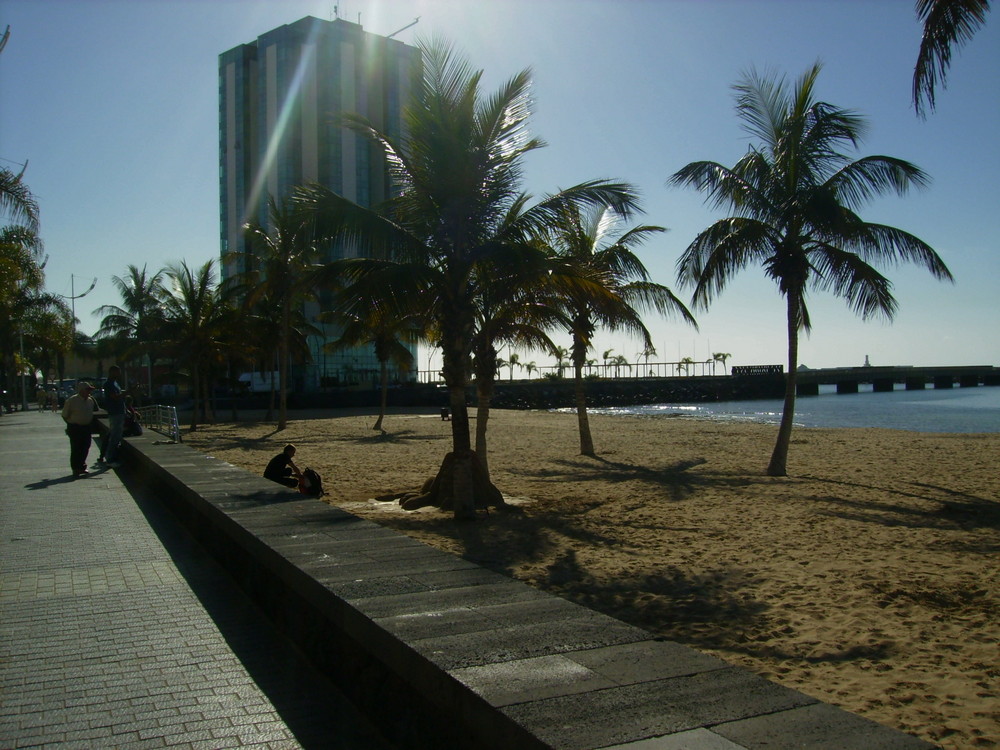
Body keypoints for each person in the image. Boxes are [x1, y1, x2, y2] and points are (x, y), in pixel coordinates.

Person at [62, 381, 98, 478]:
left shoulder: (91, 401)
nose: (89, 392)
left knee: (86, 446)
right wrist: (71, 424)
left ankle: (82, 465)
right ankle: (75, 468)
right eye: (87, 390)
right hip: (75, 427)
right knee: (76, 448)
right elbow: (64, 415)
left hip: (86, 427)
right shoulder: (72, 400)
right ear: (81, 390)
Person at [98, 365, 125, 467]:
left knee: (117, 435)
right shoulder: (108, 384)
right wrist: (129, 391)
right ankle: (110, 459)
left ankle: (111, 457)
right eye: (118, 372)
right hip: (115, 412)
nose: (119, 374)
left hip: (119, 411)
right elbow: (115, 397)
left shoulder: (115, 383)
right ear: (112, 372)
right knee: (114, 436)